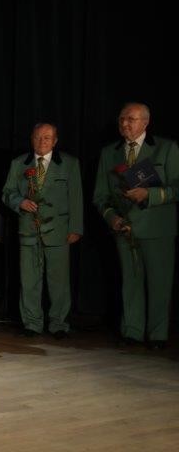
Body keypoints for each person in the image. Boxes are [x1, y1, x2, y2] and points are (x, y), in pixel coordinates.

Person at [92, 102, 179, 349]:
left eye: (131, 119)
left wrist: (150, 195)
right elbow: (100, 196)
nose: (125, 124)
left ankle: (157, 335)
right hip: (124, 228)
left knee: (159, 283)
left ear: (145, 122)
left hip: (157, 229)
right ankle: (132, 331)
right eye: (122, 119)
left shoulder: (166, 148)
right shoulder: (109, 153)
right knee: (130, 282)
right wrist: (112, 218)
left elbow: (177, 187)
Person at [1, 122, 83, 339]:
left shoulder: (69, 164)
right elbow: (7, 193)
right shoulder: (19, 163)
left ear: (55, 141)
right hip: (28, 229)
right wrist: (19, 202)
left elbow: (76, 198)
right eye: (38, 137)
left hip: (58, 231)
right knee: (29, 280)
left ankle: (59, 324)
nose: (42, 141)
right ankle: (32, 323)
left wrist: (76, 228)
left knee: (58, 282)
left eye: (47, 138)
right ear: (32, 139)